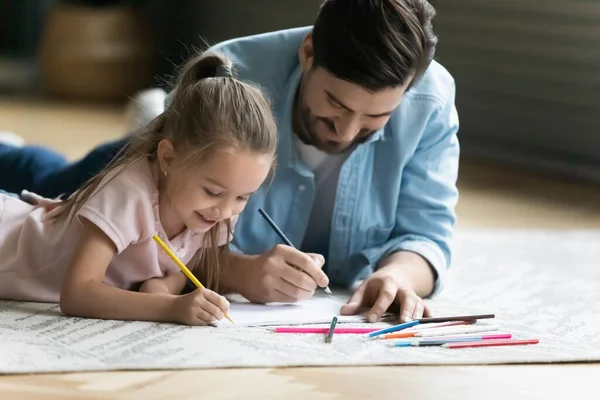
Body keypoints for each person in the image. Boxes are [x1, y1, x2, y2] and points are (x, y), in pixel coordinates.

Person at [0, 0, 459, 323]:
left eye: (375, 118)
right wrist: (239, 272)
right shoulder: (230, 71)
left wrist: (398, 275)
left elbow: (427, 232)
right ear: (308, 52)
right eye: (334, 106)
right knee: (49, 178)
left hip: (166, 205)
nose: (345, 132)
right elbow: (170, 222)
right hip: (143, 170)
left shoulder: (430, 101)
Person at [0, 51, 281, 326]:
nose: (225, 211)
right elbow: (77, 293)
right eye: (212, 192)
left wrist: (161, 288)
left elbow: (181, 265)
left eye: (243, 197)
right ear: (168, 158)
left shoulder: (217, 209)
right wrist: (169, 306)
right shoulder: (131, 191)